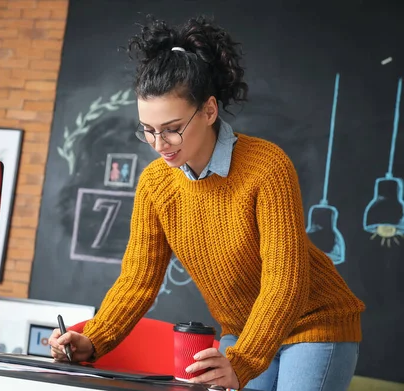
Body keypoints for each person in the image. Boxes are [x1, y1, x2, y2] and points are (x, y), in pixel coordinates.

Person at [49, 14, 365, 391]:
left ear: (210, 111)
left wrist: (244, 360)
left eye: (172, 129)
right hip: (242, 331)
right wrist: (95, 339)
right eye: (148, 130)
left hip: (314, 321)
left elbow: (286, 281)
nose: (159, 144)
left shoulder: (266, 167)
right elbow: (138, 280)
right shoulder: (155, 184)